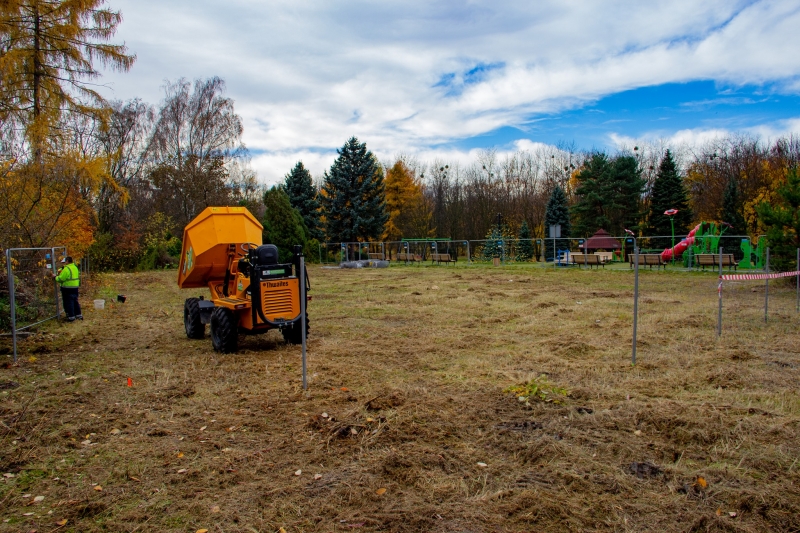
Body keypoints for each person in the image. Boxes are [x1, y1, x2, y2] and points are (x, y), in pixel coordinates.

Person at [54, 256, 82, 321]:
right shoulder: (75, 267)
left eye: (64, 262)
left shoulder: (66, 269)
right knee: (75, 301)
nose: (64, 263)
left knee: (69, 302)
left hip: (67, 288)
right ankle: (78, 315)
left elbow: (61, 278)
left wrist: (55, 277)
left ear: (67, 261)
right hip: (75, 287)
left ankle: (71, 317)